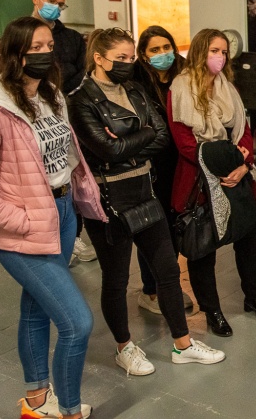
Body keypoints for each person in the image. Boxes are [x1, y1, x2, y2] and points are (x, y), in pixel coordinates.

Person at [0, 16, 104, 419]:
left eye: (48, 46)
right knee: (77, 323)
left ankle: (37, 402)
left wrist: (75, 197)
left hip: (62, 213)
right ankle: (69, 412)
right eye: (34, 48)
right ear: (14, 53)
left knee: (36, 309)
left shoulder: (51, 94)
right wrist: (20, 220)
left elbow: (63, 155)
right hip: (24, 225)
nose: (44, 53)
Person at [69, 29, 224, 375]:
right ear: (99, 58)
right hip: (109, 200)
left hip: (145, 189)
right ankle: (124, 347)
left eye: (130, 58)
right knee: (117, 278)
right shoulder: (80, 100)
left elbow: (161, 135)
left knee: (167, 269)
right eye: (120, 58)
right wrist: (136, 140)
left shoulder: (135, 89)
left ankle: (182, 344)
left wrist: (127, 141)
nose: (128, 64)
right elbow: (106, 150)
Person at [168, 29, 256, 337]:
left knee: (248, 240)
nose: (221, 57)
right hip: (200, 180)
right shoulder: (180, 88)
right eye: (215, 50)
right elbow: (185, 143)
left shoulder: (228, 87)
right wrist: (224, 161)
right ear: (201, 52)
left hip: (236, 176)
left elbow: (244, 131)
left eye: (224, 52)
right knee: (203, 250)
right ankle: (212, 310)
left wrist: (244, 164)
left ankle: (253, 297)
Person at [31, 0, 96, 267]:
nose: (55, 8)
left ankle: (73, 237)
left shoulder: (69, 37)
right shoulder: (21, 31)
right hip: (37, 113)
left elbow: (80, 71)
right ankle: (48, 237)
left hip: (67, 109)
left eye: (61, 4)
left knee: (70, 172)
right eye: (51, 1)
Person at [132, 25, 194, 315]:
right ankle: (152, 290)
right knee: (152, 227)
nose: (162, 54)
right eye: (154, 50)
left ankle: (169, 282)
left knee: (176, 223)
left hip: (182, 162)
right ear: (144, 55)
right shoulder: (135, 82)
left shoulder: (186, 75)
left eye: (166, 47)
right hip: (152, 163)